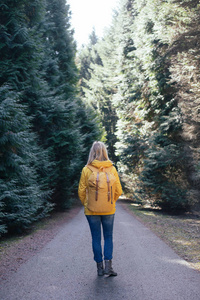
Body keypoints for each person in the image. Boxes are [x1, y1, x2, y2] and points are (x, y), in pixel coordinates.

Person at [78, 141, 122, 276]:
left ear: (92, 152)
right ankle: (109, 266)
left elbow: (81, 191)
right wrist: (110, 202)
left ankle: (99, 269)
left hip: (91, 211)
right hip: (109, 210)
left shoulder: (86, 169)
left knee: (95, 238)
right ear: (104, 152)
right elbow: (119, 190)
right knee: (108, 237)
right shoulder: (112, 169)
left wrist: (87, 204)